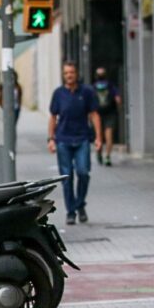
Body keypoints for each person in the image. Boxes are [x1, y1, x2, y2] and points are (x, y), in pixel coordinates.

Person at [48, 61, 102, 225]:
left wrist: (99, 138)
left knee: (83, 172)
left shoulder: (86, 92)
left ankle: (80, 204)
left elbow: (94, 115)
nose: (69, 75)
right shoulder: (58, 93)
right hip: (63, 139)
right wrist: (51, 139)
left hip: (82, 139)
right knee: (67, 177)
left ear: (76, 74)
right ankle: (71, 211)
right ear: (63, 75)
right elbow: (53, 117)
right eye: (66, 73)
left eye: (71, 72)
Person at [92, 67, 122, 166]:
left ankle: (99, 152)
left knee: (98, 135)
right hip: (110, 113)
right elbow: (118, 99)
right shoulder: (110, 85)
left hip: (98, 114)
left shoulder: (94, 86)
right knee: (109, 136)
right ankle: (108, 157)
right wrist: (118, 109)